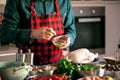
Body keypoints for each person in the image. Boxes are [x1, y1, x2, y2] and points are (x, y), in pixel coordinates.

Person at [0, 0, 76, 65]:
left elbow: (70, 29)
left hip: (57, 66)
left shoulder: (64, 1)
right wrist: (32, 33)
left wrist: (69, 39)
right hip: (27, 66)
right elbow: (4, 33)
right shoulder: (17, 1)